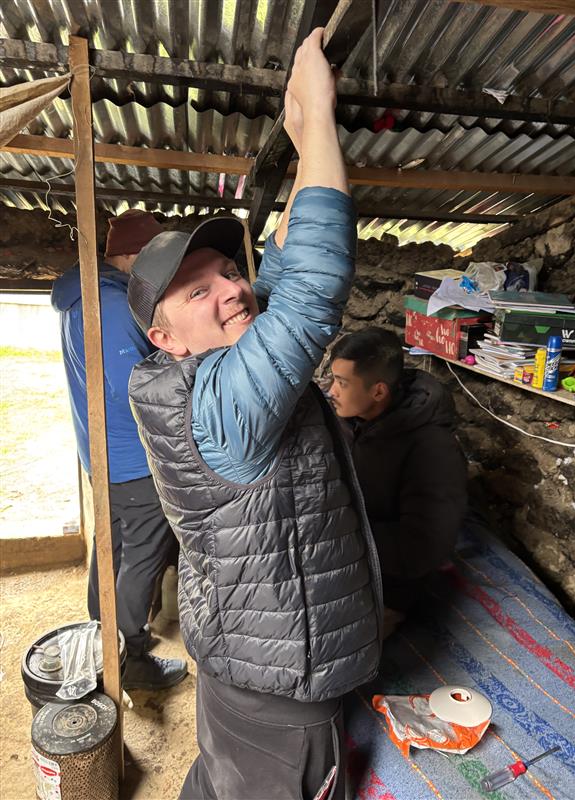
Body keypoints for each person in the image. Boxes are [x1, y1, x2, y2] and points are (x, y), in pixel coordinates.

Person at [127, 29, 382, 800]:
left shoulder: (194, 382)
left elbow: (278, 270)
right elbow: (306, 291)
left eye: (230, 272)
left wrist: (305, 137)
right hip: (281, 688)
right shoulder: (219, 406)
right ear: (163, 337)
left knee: (217, 782)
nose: (234, 289)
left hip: (249, 659)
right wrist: (324, 115)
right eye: (197, 291)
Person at [51, 209, 187, 690]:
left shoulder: (82, 295)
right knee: (144, 553)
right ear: (134, 256)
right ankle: (127, 658)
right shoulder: (110, 304)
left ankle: (101, 632)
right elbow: (132, 384)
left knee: (110, 545)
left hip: (104, 453)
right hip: (131, 458)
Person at [329, 327, 468, 616]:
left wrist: (339, 540)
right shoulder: (348, 419)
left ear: (378, 391)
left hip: (391, 579)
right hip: (343, 548)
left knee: (327, 641)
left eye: (342, 382)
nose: (332, 391)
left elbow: (422, 546)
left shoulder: (433, 450)